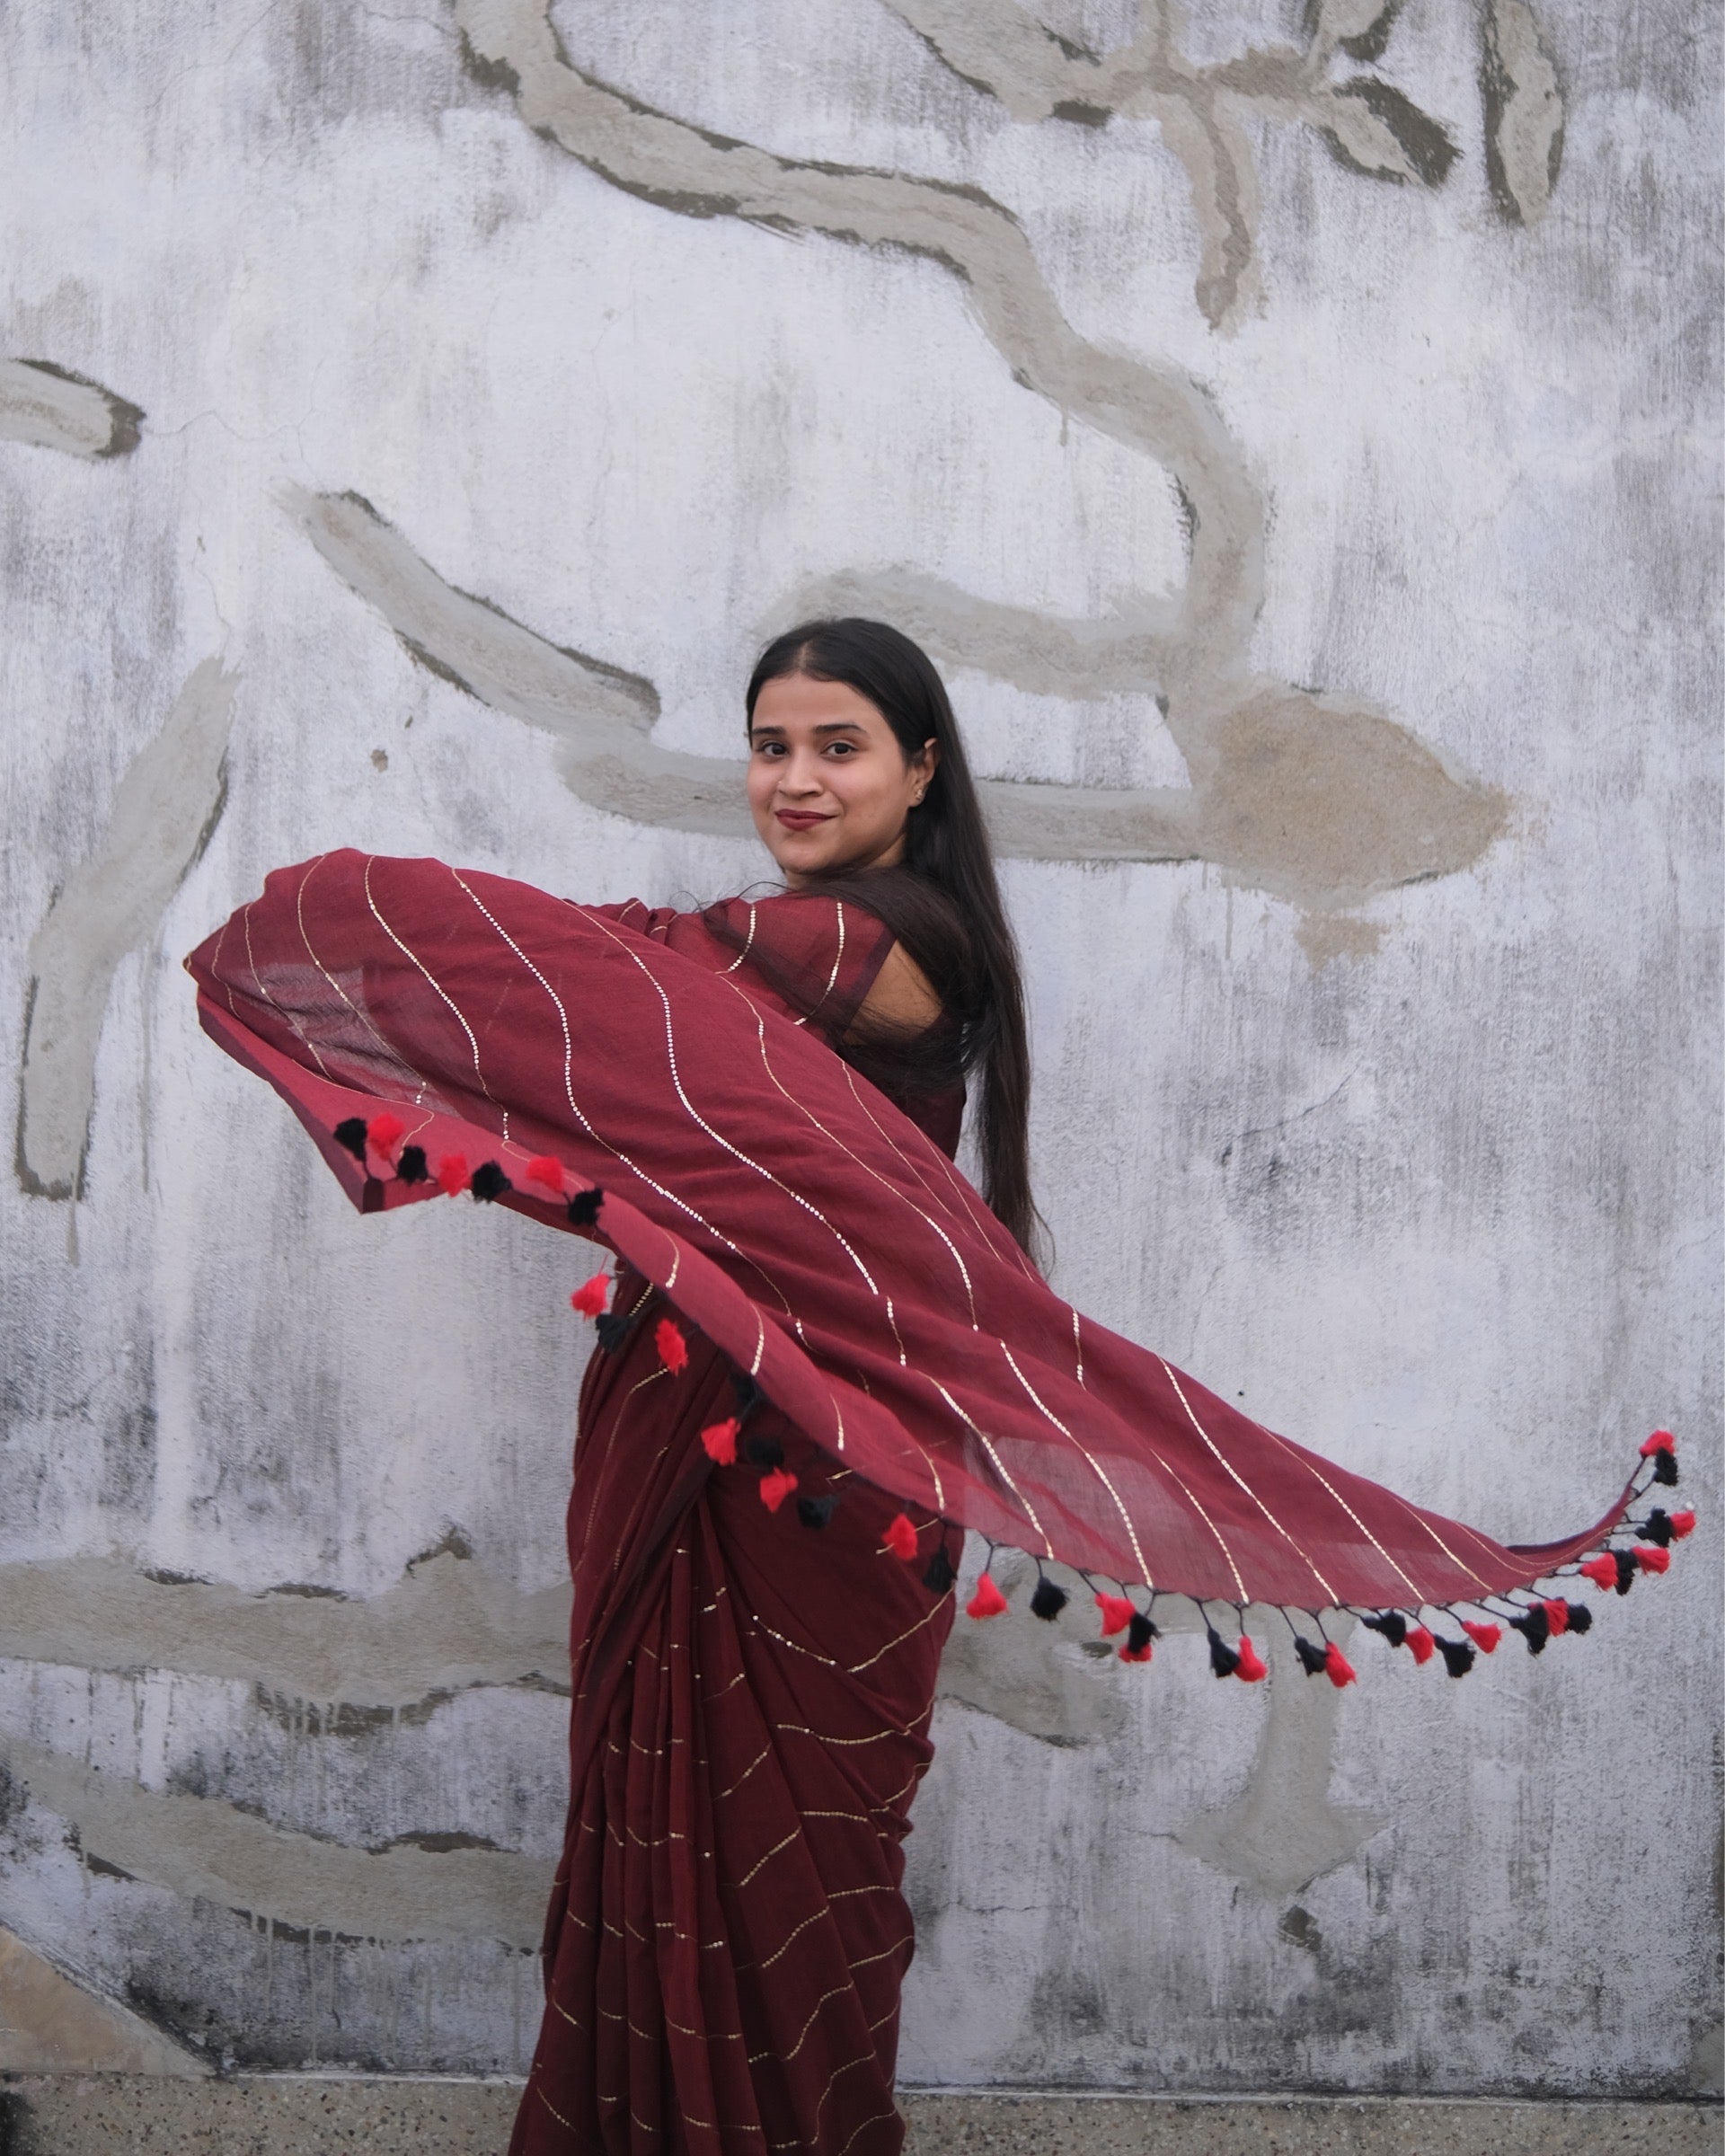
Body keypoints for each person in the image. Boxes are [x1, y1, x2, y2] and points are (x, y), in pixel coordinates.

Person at [185, 620, 1682, 2155]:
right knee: (662, 1844)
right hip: (695, 1431)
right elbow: (592, 1009)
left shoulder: (890, 945)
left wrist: (324, 917)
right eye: (772, 745)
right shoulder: (779, 943)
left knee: (792, 1879)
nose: (797, 779)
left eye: (839, 747)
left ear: (920, 772)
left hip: (821, 1477)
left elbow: (578, 989)